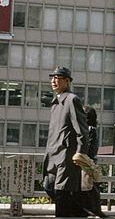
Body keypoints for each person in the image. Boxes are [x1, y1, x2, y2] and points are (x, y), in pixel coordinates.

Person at [43, 66, 89, 218]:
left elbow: (82, 130)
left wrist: (80, 154)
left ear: (67, 81)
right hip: (52, 155)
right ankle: (80, 213)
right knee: (48, 186)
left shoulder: (71, 99)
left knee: (61, 193)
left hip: (65, 155)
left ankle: (77, 213)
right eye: (52, 77)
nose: (54, 81)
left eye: (58, 78)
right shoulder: (55, 102)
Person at [79, 106, 106, 218]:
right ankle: (94, 210)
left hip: (84, 164)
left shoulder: (88, 130)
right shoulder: (92, 129)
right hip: (90, 163)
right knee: (90, 188)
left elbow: (88, 149)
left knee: (87, 188)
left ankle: (91, 211)